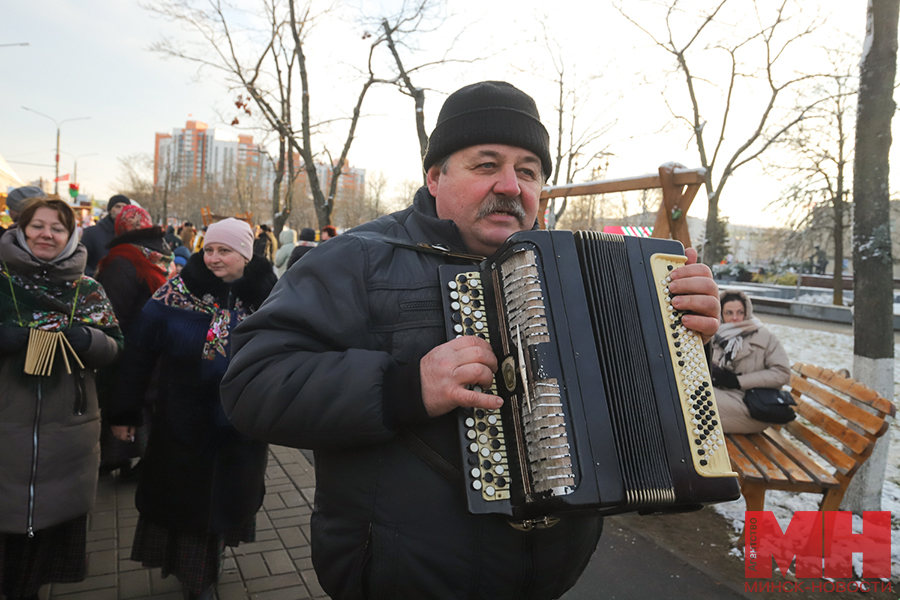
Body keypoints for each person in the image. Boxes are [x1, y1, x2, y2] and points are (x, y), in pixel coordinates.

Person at [220, 81, 722, 600]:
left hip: (549, 577)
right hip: (402, 580)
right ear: (435, 176)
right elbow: (251, 385)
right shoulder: (356, 259)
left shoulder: (578, 269)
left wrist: (683, 339)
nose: (510, 185)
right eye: (486, 165)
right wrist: (404, 388)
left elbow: (621, 393)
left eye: (528, 171)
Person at [108, 217, 276, 600]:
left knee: (229, 499)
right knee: (186, 504)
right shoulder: (176, 293)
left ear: (246, 256)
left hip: (241, 424)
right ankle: (194, 579)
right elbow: (138, 354)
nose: (214, 258)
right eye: (210, 249)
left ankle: (209, 566)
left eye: (225, 250)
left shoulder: (269, 296)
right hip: (183, 422)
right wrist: (123, 413)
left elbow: (288, 352)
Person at [0, 198, 122, 600]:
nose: (46, 234)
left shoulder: (87, 289)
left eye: (57, 228)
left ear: (71, 236)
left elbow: (116, 347)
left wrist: (90, 340)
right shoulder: (1, 280)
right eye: (37, 225)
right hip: (5, 434)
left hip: (65, 438)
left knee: (41, 550)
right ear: (20, 229)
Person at [94, 205, 173, 480]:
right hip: (156, 345)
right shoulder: (161, 254)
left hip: (129, 344)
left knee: (125, 398)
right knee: (145, 403)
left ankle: (123, 458)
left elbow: (113, 311)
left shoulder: (122, 259)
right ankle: (133, 459)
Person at [710, 290, 791, 434]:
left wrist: (738, 380)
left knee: (698, 400)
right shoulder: (714, 334)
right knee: (691, 397)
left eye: (740, 312)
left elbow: (782, 373)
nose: (735, 318)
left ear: (747, 312)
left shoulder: (765, 336)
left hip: (752, 405)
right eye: (729, 313)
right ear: (720, 313)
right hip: (725, 396)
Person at [80, 194, 132, 276]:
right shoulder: (92, 233)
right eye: (117, 206)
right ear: (110, 210)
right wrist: (96, 277)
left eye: (125, 207)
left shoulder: (133, 234)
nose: (122, 210)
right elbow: (81, 263)